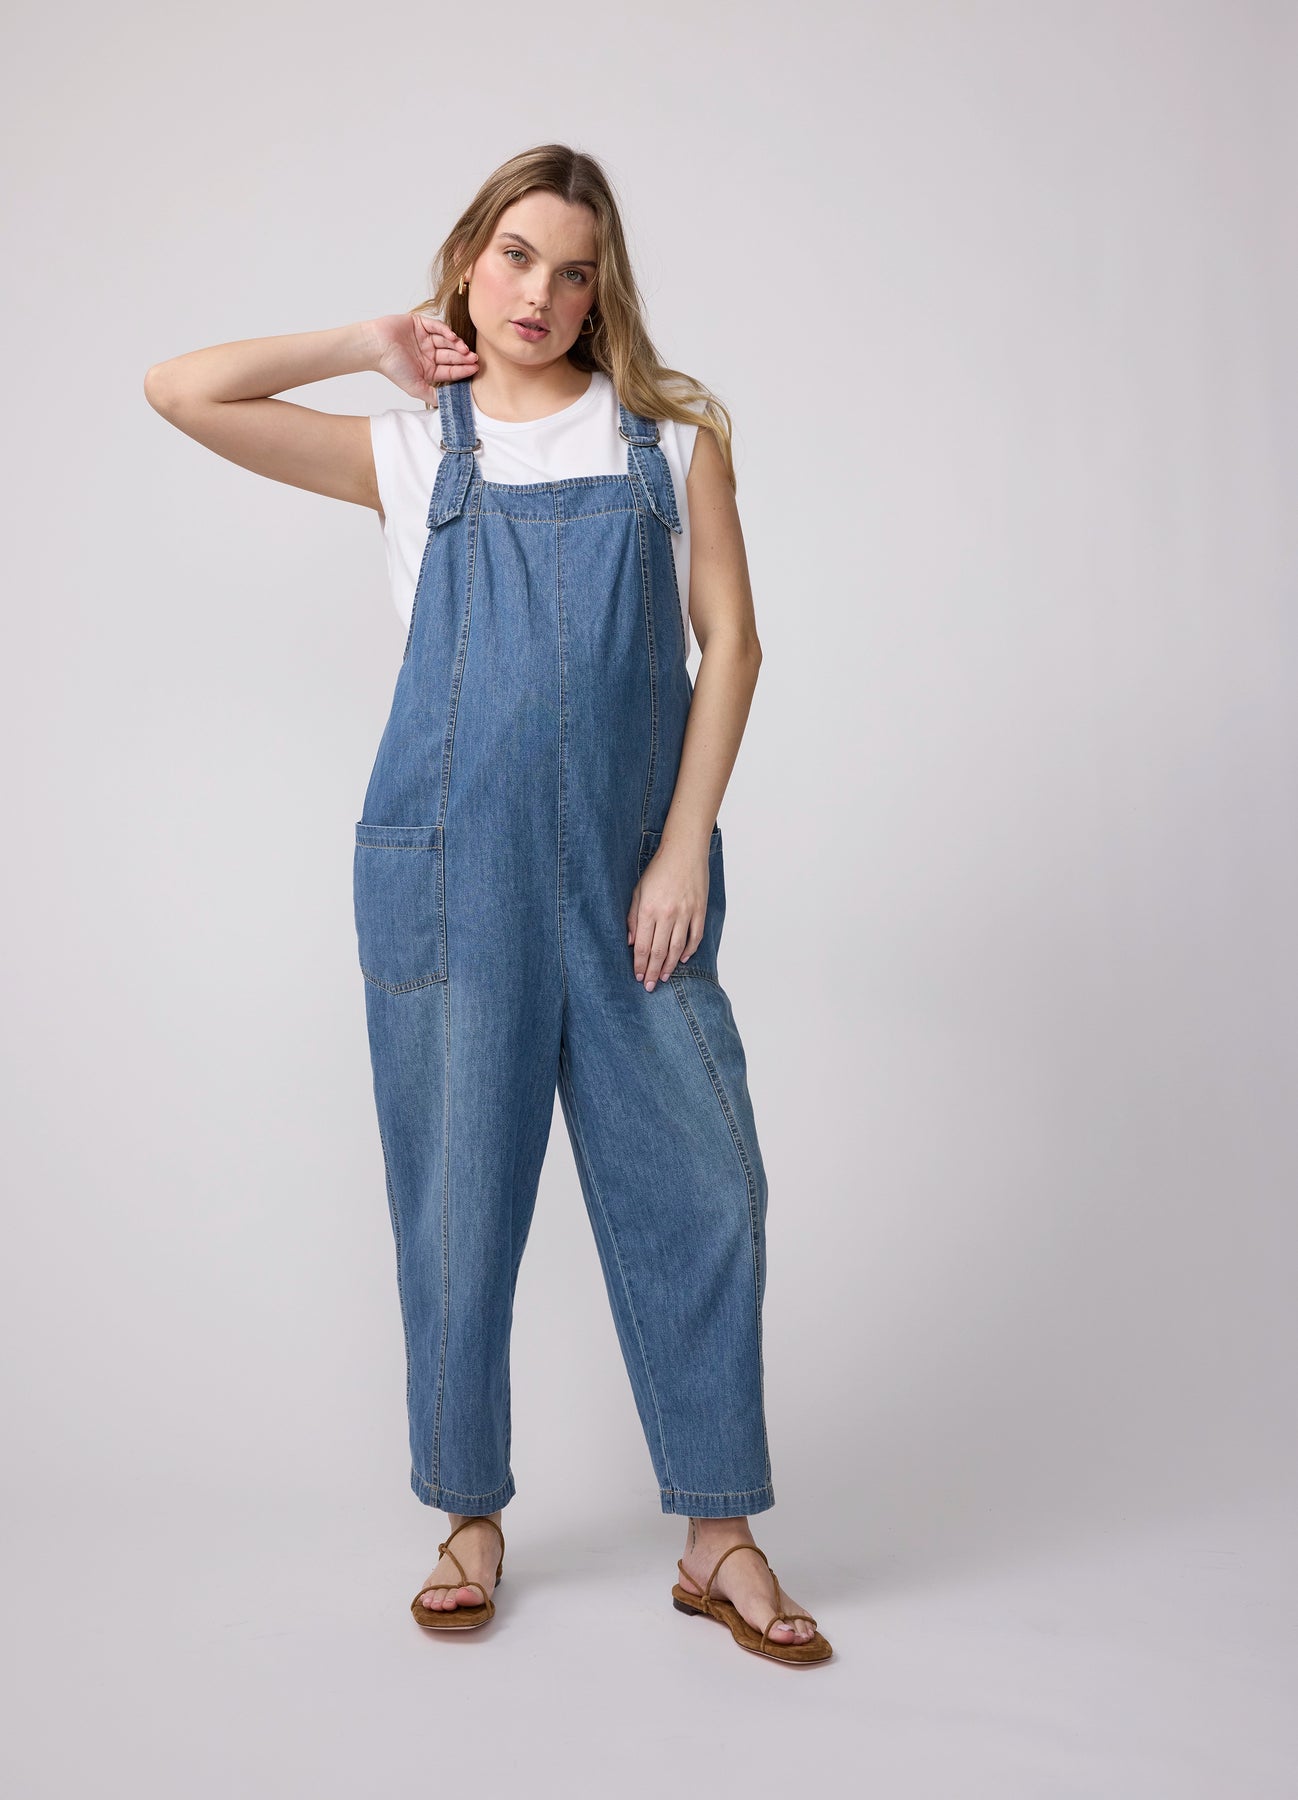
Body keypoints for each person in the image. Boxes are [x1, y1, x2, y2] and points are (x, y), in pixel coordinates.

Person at [144, 143, 831, 1666]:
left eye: (574, 270)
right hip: (454, 881)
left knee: (704, 1186)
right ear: (468, 262)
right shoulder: (409, 451)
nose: (540, 293)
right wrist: (366, 341)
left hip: (634, 884)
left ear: (602, 292)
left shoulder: (668, 442)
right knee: (457, 1201)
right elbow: (177, 390)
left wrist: (683, 849)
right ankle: (467, 1512)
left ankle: (717, 1534)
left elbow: (733, 643)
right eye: (516, 256)